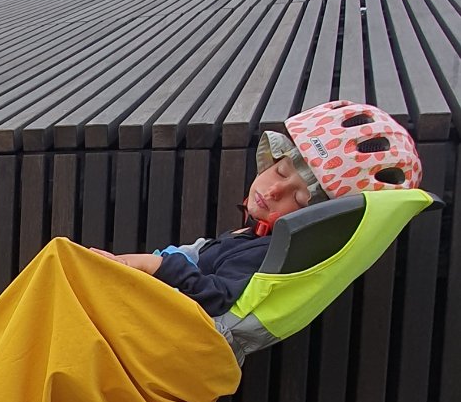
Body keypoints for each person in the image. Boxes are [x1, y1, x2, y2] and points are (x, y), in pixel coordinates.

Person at [109, 102, 423, 317]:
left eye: (298, 199)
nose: (274, 190)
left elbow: (216, 295)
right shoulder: (251, 235)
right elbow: (204, 255)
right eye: (281, 172)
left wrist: (155, 265)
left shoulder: (266, 254)